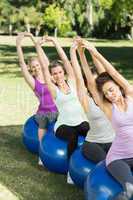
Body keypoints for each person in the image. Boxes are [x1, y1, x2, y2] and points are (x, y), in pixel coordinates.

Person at [82, 40, 133, 200]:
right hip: (118, 158)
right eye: (106, 93)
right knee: (130, 191)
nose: (110, 94)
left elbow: (114, 74)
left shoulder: (130, 95)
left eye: (111, 89)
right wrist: (82, 55)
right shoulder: (109, 108)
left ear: (118, 86)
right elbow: (91, 84)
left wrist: (95, 52)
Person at [35, 36, 90, 160]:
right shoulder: (54, 89)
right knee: (73, 136)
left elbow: (65, 60)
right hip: (63, 125)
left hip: (80, 121)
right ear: (52, 76)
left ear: (63, 72)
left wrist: (55, 42)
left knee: (91, 130)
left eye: (60, 72)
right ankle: (71, 168)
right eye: (54, 73)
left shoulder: (71, 81)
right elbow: (44, 67)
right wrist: (38, 46)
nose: (58, 75)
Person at [70, 37, 115, 164]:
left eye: (97, 82)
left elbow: (104, 73)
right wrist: (75, 52)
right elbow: (79, 77)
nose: (95, 84)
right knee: (107, 163)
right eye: (92, 82)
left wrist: (91, 50)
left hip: (113, 142)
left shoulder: (109, 98)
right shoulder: (85, 99)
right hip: (93, 144)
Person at [16, 32, 58, 166]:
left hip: (58, 111)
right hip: (43, 113)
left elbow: (43, 57)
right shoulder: (33, 82)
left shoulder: (50, 75)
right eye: (33, 66)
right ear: (31, 69)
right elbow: (22, 65)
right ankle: (42, 153)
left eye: (37, 64)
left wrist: (33, 39)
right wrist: (18, 44)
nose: (36, 67)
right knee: (43, 124)